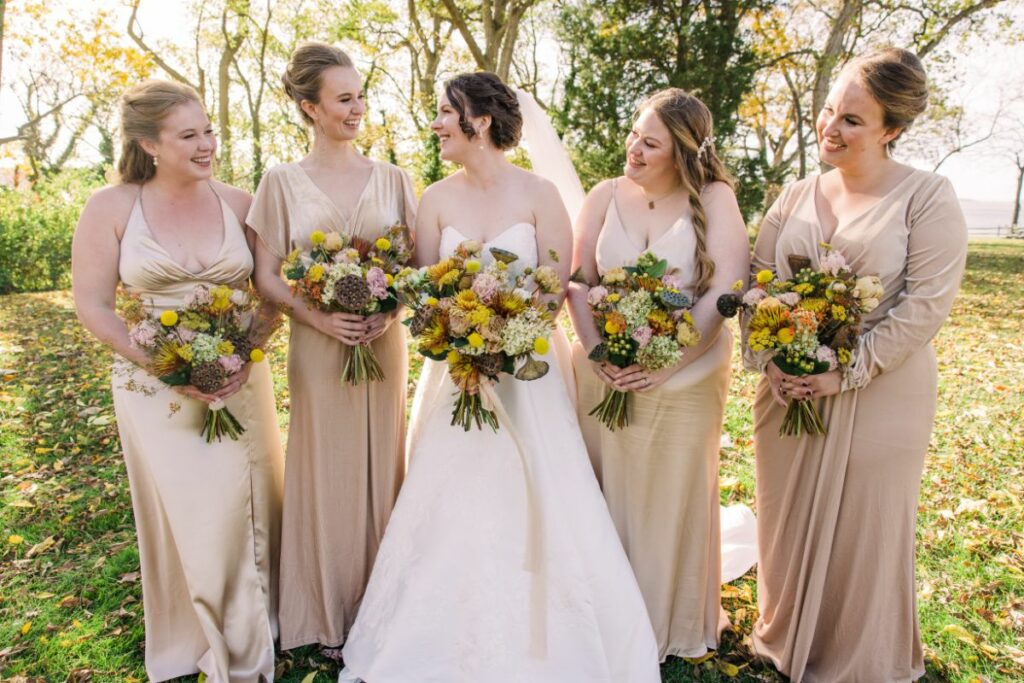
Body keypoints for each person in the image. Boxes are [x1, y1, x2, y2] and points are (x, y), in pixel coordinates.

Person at [339, 72, 660, 682]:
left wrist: (504, 342)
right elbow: (427, 290)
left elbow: (555, 286)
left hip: (528, 372)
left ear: (479, 120)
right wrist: (461, 342)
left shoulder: (540, 194)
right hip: (455, 374)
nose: (435, 124)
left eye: (444, 112)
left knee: (541, 486)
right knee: (450, 491)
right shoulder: (435, 199)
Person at [748, 47, 967, 682]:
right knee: (785, 516)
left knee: (865, 526)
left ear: (891, 130)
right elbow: (758, 283)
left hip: (881, 389)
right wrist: (770, 358)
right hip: (788, 388)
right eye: (829, 111)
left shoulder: (927, 197)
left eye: (852, 120)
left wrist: (844, 372)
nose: (831, 127)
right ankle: (786, 636)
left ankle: (859, 655)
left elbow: (925, 307)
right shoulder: (794, 194)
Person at [71, 79, 283, 682]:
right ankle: (193, 632)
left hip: (240, 378)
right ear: (149, 144)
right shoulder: (110, 208)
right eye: (189, 135)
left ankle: (252, 628)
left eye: (208, 130)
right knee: (192, 508)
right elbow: (94, 307)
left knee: (242, 506)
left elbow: (270, 294)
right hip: (153, 387)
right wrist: (167, 366)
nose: (206, 144)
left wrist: (244, 354)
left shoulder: (241, 203)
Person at [567, 88, 752, 661]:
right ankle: (602, 612)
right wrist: (598, 351)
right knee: (601, 485)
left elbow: (726, 289)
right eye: (634, 135)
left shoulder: (715, 197)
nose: (634, 150)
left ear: (684, 153)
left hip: (689, 362)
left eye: (651, 143)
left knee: (668, 493)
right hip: (604, 362)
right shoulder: (604, 194)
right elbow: (579, 280)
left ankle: (665, 619)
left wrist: (665, 361)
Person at [247, 41, 417, 655]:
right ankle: (322, 610)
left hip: (382, 344)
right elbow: (266, 275)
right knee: (325, 468)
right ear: (309, 108)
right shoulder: (280, 182)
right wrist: (318, 318)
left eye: (360, 96)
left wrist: (390, 311)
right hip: (317, 349)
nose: (357, 108)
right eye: (344, 99)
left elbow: (415, 267)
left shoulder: (394, 179)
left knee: (383, 461)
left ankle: (381, 607)